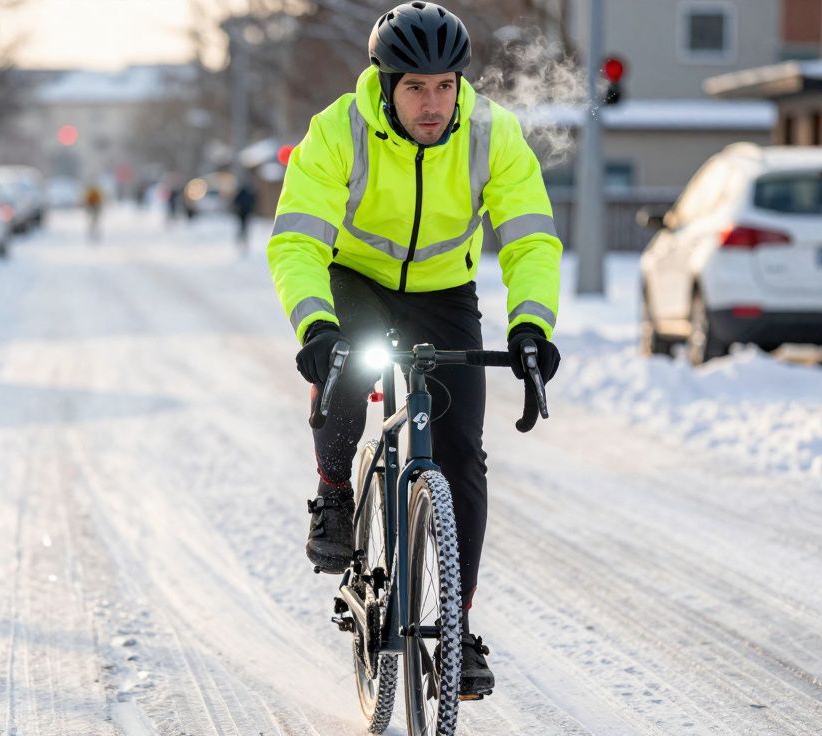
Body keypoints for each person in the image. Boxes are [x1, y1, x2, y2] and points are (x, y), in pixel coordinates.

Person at [266, 2, 562, 697]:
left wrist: (531, 327)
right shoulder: (339, 129)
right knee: (347, 364)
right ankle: (334, 494)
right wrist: (316, 326)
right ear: (385, 84)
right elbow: (298, 239)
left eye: (445, 87)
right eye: (415, 88)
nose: (432, 104)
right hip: (355, 279)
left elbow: (530, 239)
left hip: (444, 292)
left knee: (461, 453)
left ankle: (456, 628)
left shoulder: (492, 133)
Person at [232, 178, 258, 254]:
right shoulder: (248, 193)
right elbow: (253, 201)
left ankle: (242, 237)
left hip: (242, 212)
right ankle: (242, 238)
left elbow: (235, 201)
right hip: (245, 212)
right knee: (244, 226)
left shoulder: (242, 193)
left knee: (242, 226)